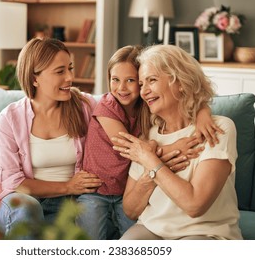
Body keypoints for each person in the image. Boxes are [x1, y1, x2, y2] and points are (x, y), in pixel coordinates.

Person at [76, 45, 223, 240]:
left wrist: (203, 112)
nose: (122, 88)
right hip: (96, 189)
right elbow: (129, 147)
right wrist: (173, 148)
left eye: (131, 81)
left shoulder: (148, 108)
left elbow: (190, 95)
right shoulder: (107, 106)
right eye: (115, 80)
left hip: (122, 192)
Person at [112, 44, 243, 240]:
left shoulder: (218, 129)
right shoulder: (147, 137)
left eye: (152, 81)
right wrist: (151, 174)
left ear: (180, 81)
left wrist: (151, 161)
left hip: (204, 233)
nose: (144, 91)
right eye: (141, 84)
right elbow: (130, 210)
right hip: (151, 230)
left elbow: (194, 205)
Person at [0, 38, 102, 239]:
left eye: (70, 68)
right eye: (60, 71)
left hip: (68, 202)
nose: (70, 77)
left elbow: (116, 113)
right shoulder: (9, 118)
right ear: (35, 78)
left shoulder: (84, 107)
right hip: (22, 201)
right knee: (27, 209)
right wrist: (68, 186)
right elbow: (12, 182)